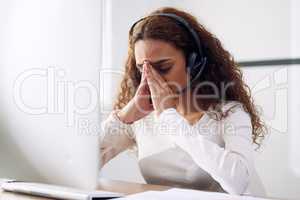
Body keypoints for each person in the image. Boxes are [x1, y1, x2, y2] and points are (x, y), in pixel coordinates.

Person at [100, 7, 267, 196]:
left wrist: (170, 118)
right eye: (142, 69)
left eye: (163, 67)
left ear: (194, 63)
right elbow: (81, 163)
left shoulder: (230, 113)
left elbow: (238, 182)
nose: (150, 79)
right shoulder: (142, 116)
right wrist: (124, 116)